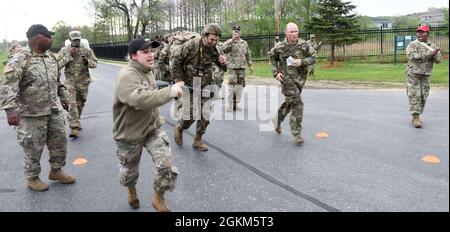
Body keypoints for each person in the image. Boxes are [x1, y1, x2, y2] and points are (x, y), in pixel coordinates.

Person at [1, 24, 76, 191]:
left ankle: (56, 170)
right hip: (31, 115)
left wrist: (63, 97)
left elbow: (57, 81)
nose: (51, 39)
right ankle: (32, 177)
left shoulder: (51, 58)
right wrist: (10, 110)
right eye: (48, 36)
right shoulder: (20, 59)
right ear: (36, 38)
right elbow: (7, 85)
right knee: (32, 148)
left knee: (60, 143)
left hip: (53, 111)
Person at [113, 37, 184, 211]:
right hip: (130, 133)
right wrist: (170, 92)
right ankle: (131, 190)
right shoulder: (127, 76)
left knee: (166, 165)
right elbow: (140, 99)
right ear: (133, 56)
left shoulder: (148, 70)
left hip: (152, 127)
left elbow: (151, 92)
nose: (151, 55)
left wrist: (173, 86)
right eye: (145, 52)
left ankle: (158, 198)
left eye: (151, 51)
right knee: (129, 172)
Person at [171, 23, 227, 152]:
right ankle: (179, 127)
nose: (214, 42)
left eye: (217, 40)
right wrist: (178, 80)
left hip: (206, 84)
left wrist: (224, 62)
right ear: (204, 36)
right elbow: (176, 62)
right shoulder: (192, 45)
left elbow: (223, 67)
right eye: (212, 39)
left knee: (205, 113)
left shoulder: (215, 49)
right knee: (190, 114)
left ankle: (198, 140)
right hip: (190, 83)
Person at [269, 22, 315, 145]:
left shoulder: (304, 45)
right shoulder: (280, 47)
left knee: (290, 103)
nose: (294, 34)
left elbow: (313, 57)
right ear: (286, 33)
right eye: (291, 32)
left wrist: (303, 61)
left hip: (300, 80)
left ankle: (277, 119)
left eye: (296, 31)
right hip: (287, 80)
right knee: (298, 103)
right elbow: (272, 58)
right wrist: (275, 73)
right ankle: (297, 133)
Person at [57, 31, 98, 138]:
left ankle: (76, 119)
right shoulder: (64, 50)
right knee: (72, 103)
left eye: (78, 40)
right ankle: (74, 126)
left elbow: (95, 64)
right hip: (70, 82)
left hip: (83, 82)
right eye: (74, 40)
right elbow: (57, 65)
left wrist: (87, 62)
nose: (76, 42)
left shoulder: (86, 50)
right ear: (70, 40)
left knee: (81, 102)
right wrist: (69, 55)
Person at [405, 25, 442, 128]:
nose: (420, 34)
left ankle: (417, 114)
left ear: (427, 34)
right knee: (415, 94)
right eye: (418, 32)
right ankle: (416, 116)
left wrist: (435, 54)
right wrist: (430, 54)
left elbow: (439, 60)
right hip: (413, 74)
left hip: (425, 74)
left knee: (424, 95)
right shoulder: (413, 44)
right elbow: (414, 56)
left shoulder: (431, 45)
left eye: (422, 32)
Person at [223, 26, 254, 112]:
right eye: (235, 32)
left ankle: (236, 104)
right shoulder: (229, 42)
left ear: (240, 33)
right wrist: (232, 40)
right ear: (232, 33)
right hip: (232, 68)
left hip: (242, 68)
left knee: (240, 87)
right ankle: (230, 104)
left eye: (238, 32)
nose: (237, 33)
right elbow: (224, 50)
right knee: (232, 87)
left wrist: (250, 66)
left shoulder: (244, 43)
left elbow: (248, 56)